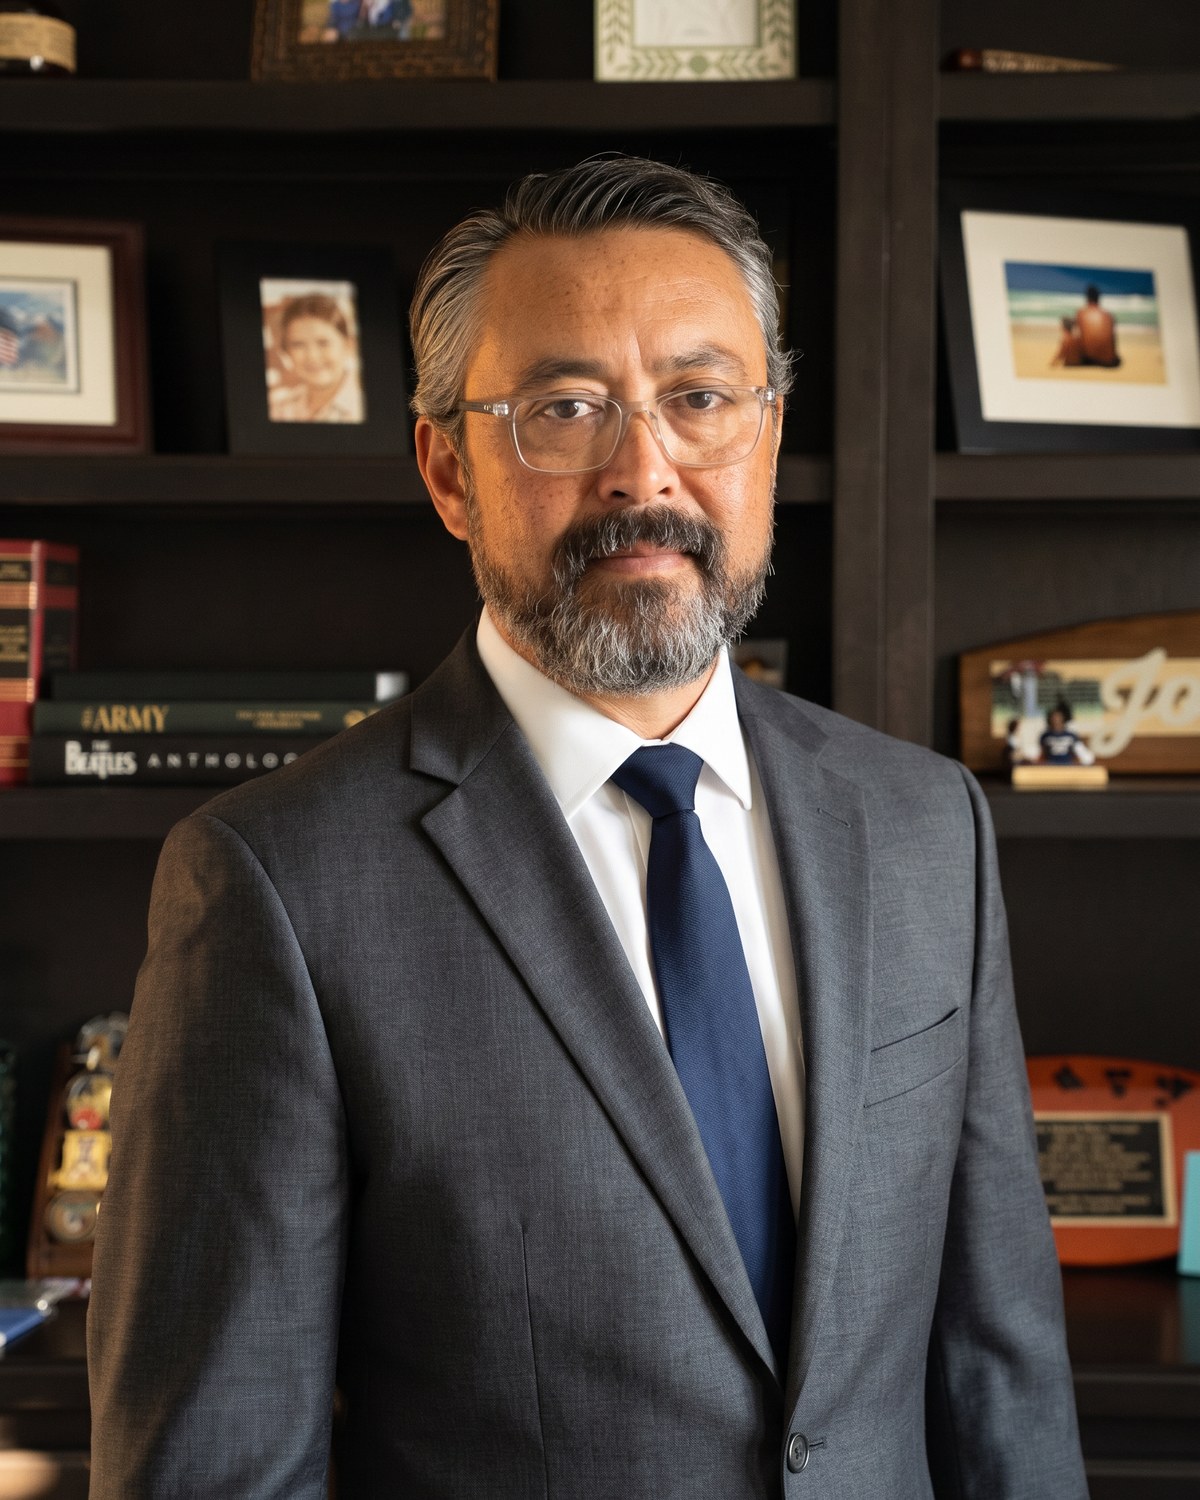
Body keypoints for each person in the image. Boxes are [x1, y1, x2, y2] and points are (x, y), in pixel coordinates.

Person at [87, 157, 1088, 1498]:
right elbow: (213, 1464)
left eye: (699, 399)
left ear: (769, 437)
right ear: (449, 470)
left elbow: (999, 1376)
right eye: (566, 408)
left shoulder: (922, 827)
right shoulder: (275, 885)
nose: (644, 471)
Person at [267, 293, 364, 423]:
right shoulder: (277, 407)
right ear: (287, 351)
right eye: (298, 344)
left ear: (348, 345)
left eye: (323, 343)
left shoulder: (362, 406)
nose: (312, 356)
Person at [1076, 282, 1122, 368]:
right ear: (1098, 298)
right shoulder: (1109, 315)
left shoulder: (1081, 313)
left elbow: (1078, 336)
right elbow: (1112, 339)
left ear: (1087, 298)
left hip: (1088, 359)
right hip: (1108, 361)